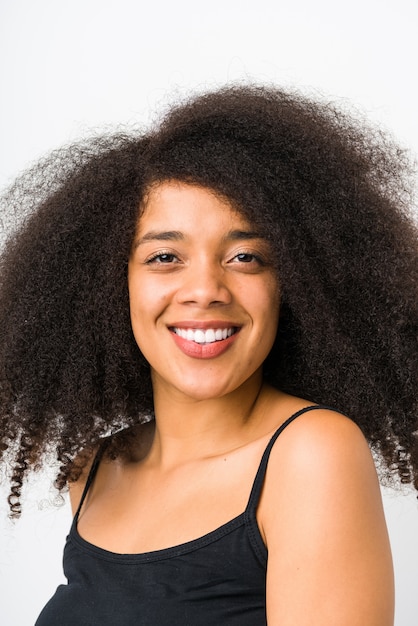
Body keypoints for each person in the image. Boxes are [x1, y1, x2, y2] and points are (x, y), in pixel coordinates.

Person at [0, 85, 417, 625]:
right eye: (165, 256)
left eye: (245, 256)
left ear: (296, 282)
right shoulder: (95, 468)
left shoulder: (311, 455)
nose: (206, 289)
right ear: (107, 285)